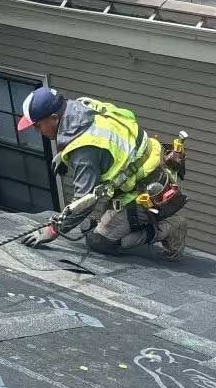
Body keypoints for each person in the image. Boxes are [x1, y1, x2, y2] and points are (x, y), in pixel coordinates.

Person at [16, 87, 188, 259]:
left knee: (99, 241)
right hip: (153, 163)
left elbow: (84, 201)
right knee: (107, 219)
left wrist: (53, 230)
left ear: (54, 118)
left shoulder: (84, 151)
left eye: (38, 126)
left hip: (146, 189)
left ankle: (170, 227)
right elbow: (123, 120)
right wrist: (64, 155)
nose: (37, 131)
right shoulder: (83, 105)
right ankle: (121, 221)